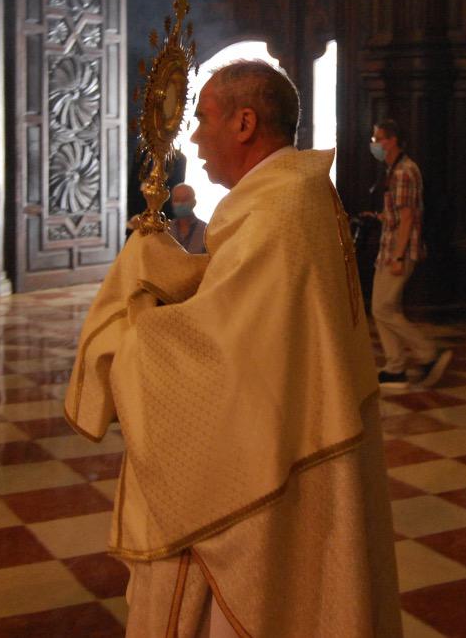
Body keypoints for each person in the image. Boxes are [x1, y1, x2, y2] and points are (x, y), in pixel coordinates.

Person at [66, 60, 401, 636]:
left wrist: (131, 326)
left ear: (245, 123)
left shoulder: (277, 207)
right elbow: (250, 306)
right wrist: (169, 264)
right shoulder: (291, 192)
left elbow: (221, 352)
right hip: (299, 430)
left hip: (275, 462)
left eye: (203, 119)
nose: (194, 136)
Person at [368, 119, 452, 389]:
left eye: (378, 138)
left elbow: (408, 218)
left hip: (398, 250)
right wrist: (381, 216)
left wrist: (399, 256)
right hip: (390, 248)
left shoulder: (404, 171)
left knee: (382, 308)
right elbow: (398, 215)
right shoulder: (394, 169)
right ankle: (395, 367)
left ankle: (428, 353)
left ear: (391, 140)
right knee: (382, 308)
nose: (374, 144)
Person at [166, 182, 207, 253]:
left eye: (185, 199)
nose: (181, 203)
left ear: (194, 203)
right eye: (177, 200)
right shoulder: (166, 229)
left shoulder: (206, 230)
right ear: (172, 203)